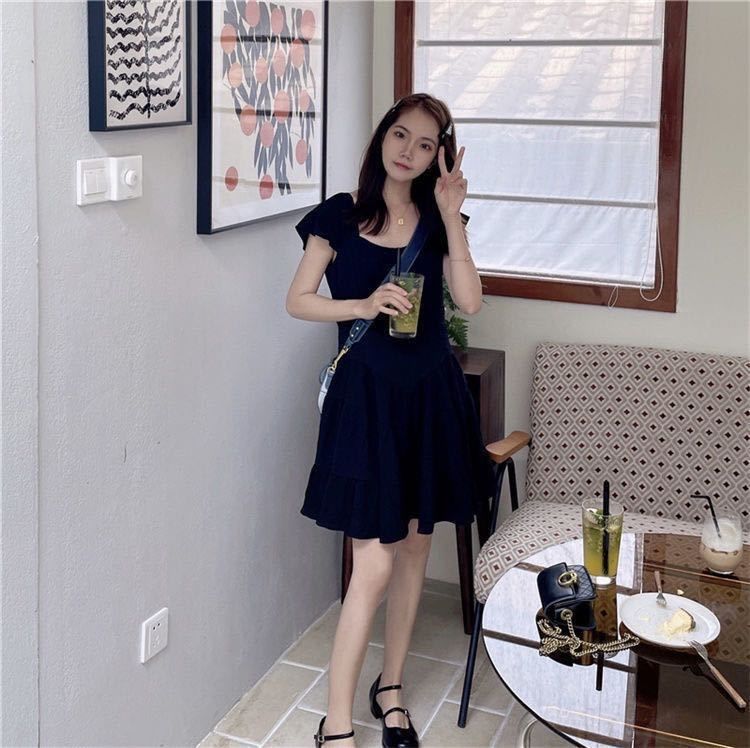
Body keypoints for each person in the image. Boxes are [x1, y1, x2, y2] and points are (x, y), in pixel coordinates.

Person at [286, 93, 493, 748]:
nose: (409, 151)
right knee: (372, 564)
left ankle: (392, 688)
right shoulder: (340, 216)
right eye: (401, 135)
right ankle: (336, 724)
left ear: (438, 157)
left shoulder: (439, 219)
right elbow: (298, 301)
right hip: (367, 401)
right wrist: (362, 303)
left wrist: (453, 217)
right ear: (383, 137)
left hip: (430, 395)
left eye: (426, 144)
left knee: (415, 548)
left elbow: (470, 301)